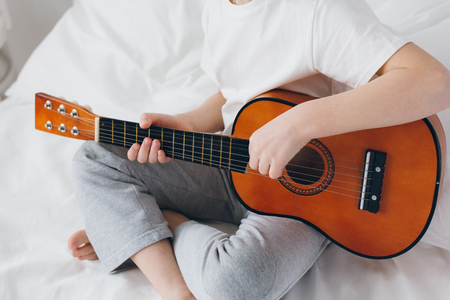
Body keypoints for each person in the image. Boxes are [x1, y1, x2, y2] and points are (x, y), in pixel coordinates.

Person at [67, 0, 450, 299]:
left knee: (238, 282)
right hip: (234, 160)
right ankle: (175, 291)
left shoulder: (318, 10)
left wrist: (300, 124)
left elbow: (434, 82)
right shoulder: (218, 11)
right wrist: (190, 123)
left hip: (311, 198)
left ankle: (161, 224)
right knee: (96, 156)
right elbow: (234, 91)